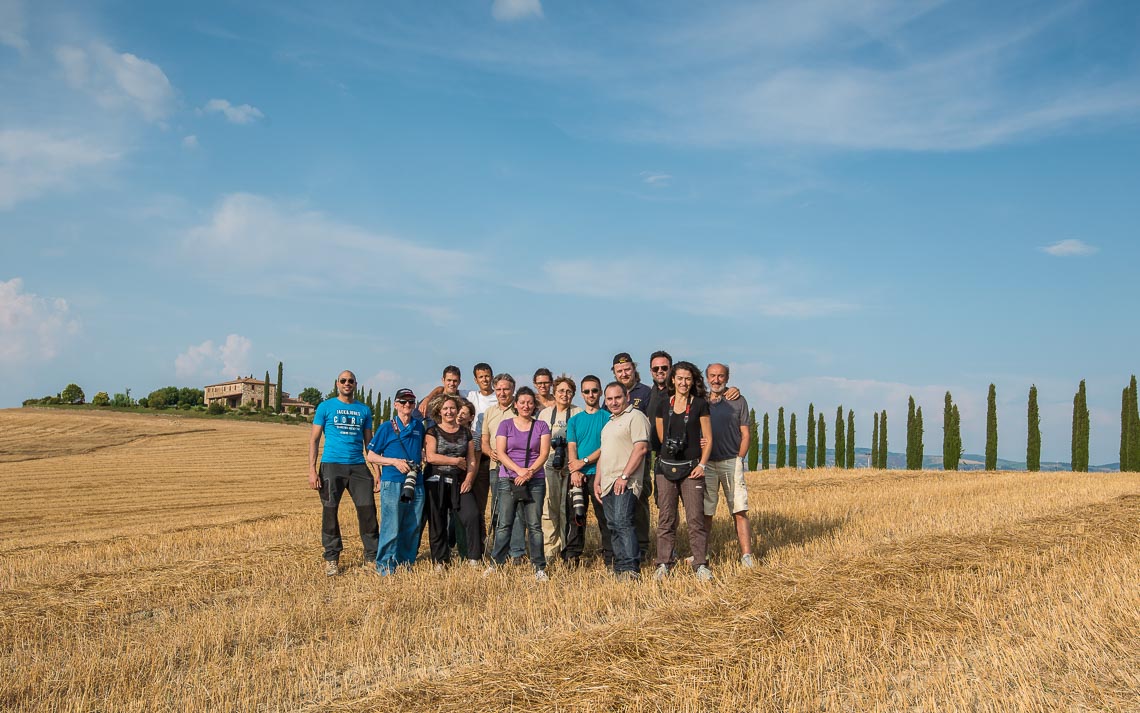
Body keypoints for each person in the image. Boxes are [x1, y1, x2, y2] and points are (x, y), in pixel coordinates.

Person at [308, 370, 378, 576]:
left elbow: (369, 445)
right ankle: (331, 558)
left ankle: (372, 557)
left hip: (358, 467)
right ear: (337, 384)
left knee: (368, 512)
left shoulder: (364, 410)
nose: (347, 384)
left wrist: (377, 474)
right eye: (343, 381)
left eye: (350, 381)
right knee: (330, 512)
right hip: (331, 466)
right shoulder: (325, 406)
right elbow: (314, 440)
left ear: (356, 384)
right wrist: (312, 471)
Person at [653, 361, 714, 581]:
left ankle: (700, 564)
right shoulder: (662, 403)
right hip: (665, 468)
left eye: (687, 378)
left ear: (693, 380)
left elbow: (708, 438)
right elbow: (661, 437)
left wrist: (702, 465)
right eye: (679, 378)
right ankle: (663, 562)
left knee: (695, 518)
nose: (683, 382)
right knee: (666, 518)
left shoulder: (699, 404)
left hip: (692, 469)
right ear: (672, 379)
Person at [487, 387, 552, 580]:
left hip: (535, 480)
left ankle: (539, 567)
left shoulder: (541, 426)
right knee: (504, 523)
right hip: (508, 479)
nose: (526, 406)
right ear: (516, 405)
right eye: (522, 402)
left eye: (530, 402)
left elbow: (544, 454)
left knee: (534, 525)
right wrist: (518, 471)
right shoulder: (505, 425)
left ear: (534, 405)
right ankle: (495, 563)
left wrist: (529, 472)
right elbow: (501, 452)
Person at [366, 388, 426, 576]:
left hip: (415, 482)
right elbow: (371, 455)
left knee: (412, 525)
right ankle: (385, 566)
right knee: (391, 525)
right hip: (392, 481)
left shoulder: (419, 426)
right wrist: (393, 462)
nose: (407, 405)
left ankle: (405, 563)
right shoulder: (386, 427)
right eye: (403, 402)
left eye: (411, 402)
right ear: (395, 405)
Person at [595, 382, 651, 579]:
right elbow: (604, 453)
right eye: (609, 399)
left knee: (623, 522)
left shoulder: (635, 417)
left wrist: (624, 476)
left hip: (625, 481)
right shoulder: (609, 423)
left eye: (617, 397)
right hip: (608, 482)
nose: (613, 402)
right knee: (613, 525)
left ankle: (630, 568)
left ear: (627, 396)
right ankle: (620, 567)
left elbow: (641, 448)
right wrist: (598, 480)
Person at [704, 363, 756, 567]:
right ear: (707, 377)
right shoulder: (700, 400)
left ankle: (747, 556)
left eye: (721, 376)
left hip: (730, 461)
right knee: (706, 512)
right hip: (707, 463)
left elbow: (746, 434)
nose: (716, 380)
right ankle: (703, 554)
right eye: (712, 376)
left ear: (727, 377)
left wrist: (739, 459)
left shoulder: (738, 400)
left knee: (739, 509)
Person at [424, 395, 479, 567]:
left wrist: (469, 479)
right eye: (445, 408)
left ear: (457, 410)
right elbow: (431, 457)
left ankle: (473, 557)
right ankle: (440, 560)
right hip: (436, 480)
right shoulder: (432, 431)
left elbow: (471, 460)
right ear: (439, 411)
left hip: (459, 481)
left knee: (472, 515)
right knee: (437, 520)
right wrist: (454, 461)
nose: (449, 411)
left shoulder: (466, 433)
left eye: (452, 408)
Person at [564, 375, 613, 567]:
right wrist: (574, 469)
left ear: (600, 392)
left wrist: (583, 462)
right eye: (586, 391)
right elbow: (571, 447)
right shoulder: (575, 421)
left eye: (594, 390)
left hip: (601, 474)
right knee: (576, 516)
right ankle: (572, 557)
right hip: (578, 475)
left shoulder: (608, 418)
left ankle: (610, 557)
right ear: (581, 394)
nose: (591, 394)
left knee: (604, 517)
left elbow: (606, 446)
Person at [612, 352, 653, 559]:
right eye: (619, 371)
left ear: (634, 369)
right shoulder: (612, 395)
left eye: (627, 369)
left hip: (639, 461)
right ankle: (624, 549)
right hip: (616, 461)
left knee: (639, 502)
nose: (624, 373)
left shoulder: (646, 393)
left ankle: (643, 546)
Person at [481, 373, 526, 561]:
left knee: (517, 511)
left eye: (506, 389)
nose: (502, 392)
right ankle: (500, 551)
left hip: (517, 469)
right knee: (498, 510)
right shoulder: (490, 412)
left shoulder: (519, 409)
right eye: (498, 389)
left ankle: (517, 552)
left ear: (513, 390)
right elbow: (484, 440)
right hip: (495, 468)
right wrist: (489, 451)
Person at [537, 375, 580, 561]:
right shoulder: (545, 414)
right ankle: (550, 550)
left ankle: (565, 547)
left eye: (569, 391)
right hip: (550, 466)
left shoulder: (578, 412)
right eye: (561, 391)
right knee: (549, 508)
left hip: (571, 466)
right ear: (554, 393)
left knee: (566, 509)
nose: (564, 394)